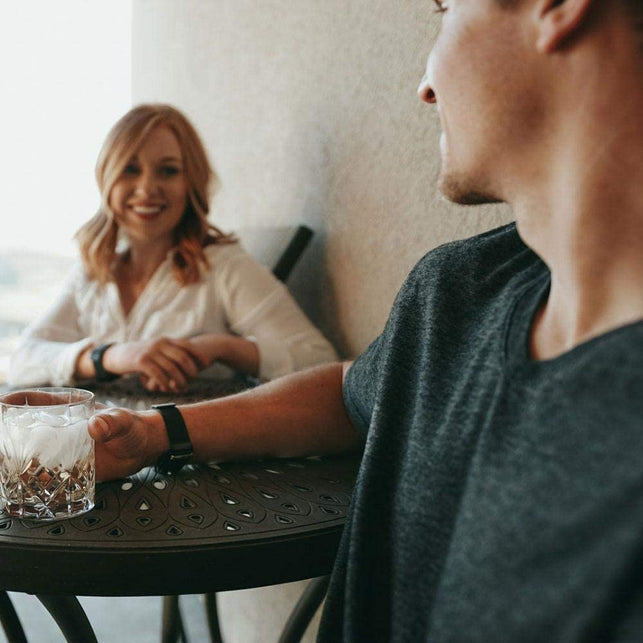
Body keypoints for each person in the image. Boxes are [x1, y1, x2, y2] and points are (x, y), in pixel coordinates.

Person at [89, 1, 643, 640]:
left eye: (446, 8)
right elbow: (351, 393)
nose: (425, 85)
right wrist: (157, 433)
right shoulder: (452, 293)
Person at [8, 104, 337, 392]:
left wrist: (222, 348)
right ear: (107, 179)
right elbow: (22, 362)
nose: (147, 188)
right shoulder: (93, 271)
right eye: (130, 169)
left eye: (168, 171)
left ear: (190, 182)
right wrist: (109, 357)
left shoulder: (224, 267)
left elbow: (319, 361)